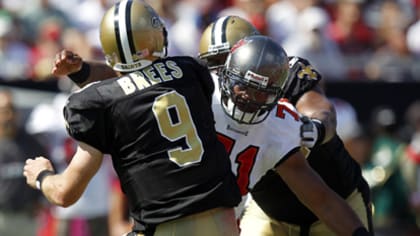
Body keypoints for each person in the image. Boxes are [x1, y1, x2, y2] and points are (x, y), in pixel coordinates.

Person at [51, 16, 371, 236]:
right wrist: (83, 72)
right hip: (264, 207)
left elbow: (319, 118)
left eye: (224, 63)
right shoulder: (202, 89)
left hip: (338, 192)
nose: (218, 75)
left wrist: (314, 128)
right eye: (213, 65)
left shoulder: (283, 110)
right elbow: (143, 79)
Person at [23, 1, 241, 236]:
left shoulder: (97, 103)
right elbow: (144, 78)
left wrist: (41, 176)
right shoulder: (190, 71)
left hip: (165, 227)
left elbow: (65, 193)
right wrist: (84, 71)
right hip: (225, 221)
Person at [0, 89, 48, 236]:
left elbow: (48, 173)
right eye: (2, 111)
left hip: (25, 219)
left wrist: (42, 200)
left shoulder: (32, 144)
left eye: (11, 109)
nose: (7, 116)